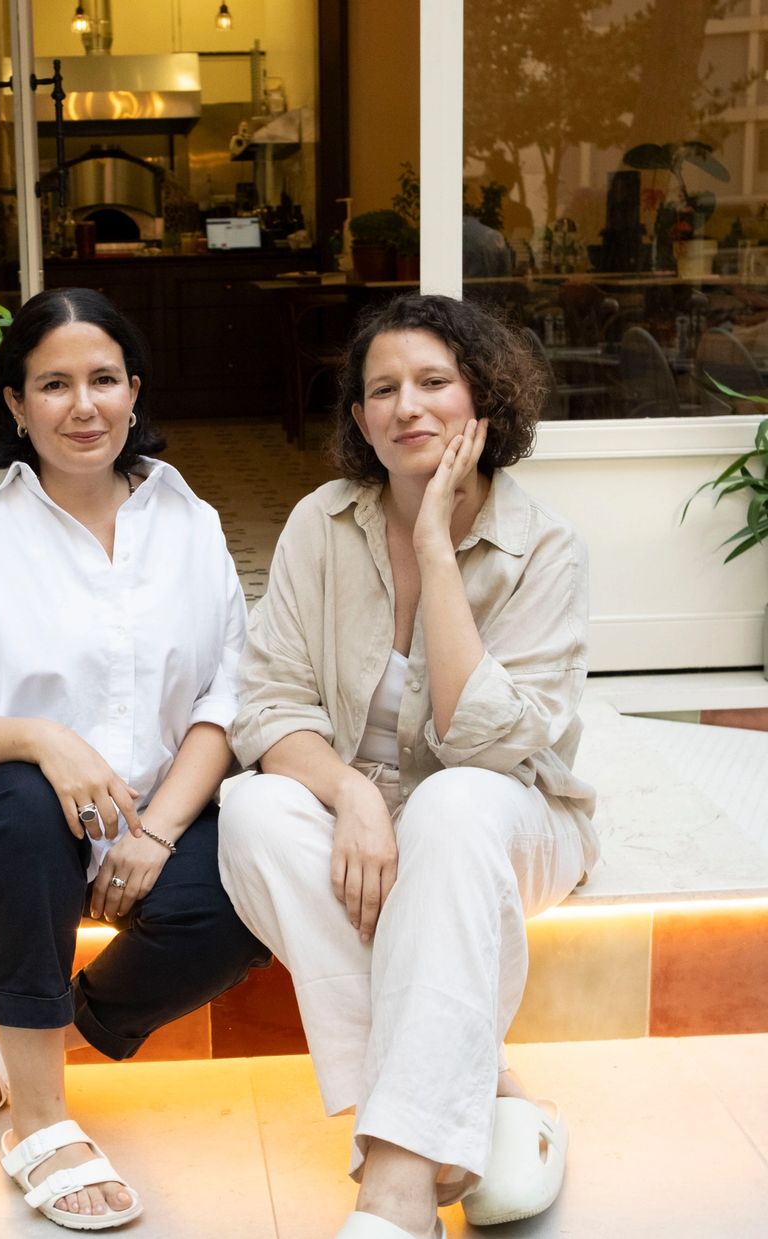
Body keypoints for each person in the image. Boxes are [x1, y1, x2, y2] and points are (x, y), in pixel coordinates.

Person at [218, 294, 599, 1239]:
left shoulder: (543, 547)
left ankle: (394, 1182)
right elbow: (266, 704)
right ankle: (479, 1092)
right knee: (254, 812)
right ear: (359, 420)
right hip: (375, 828)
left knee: (456, 803)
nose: (407, 406)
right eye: (382, 390)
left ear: (482, 401)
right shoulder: (322, 523)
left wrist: (434, 543)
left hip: (511, 824)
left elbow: (492, 746)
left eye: (434, 382)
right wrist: (350, 793)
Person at [0, 286, 268, 1232]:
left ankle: (5, 1050)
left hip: (149, 816)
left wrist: (162, 830)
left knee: (254, 891)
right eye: (53, 384)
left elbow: (232, 696)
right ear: (14, 405)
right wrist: (44, 740)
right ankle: (40, 1120)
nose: (83, 405)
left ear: (135, 391)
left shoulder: (191, 523)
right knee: (21, 802)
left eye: (103, 379)